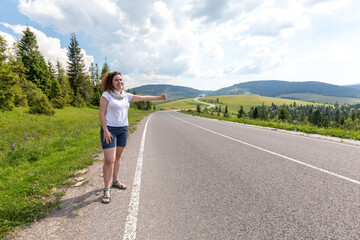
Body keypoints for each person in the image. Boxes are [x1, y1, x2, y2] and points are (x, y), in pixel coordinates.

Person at [99, 71, 167, 204]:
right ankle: (106, 189)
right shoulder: (106, 95)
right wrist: (106, 130)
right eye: (116, 80)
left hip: (123, 129)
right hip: (110, 130)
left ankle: (115, 180)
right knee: (109, 159)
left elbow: (144, 97)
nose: (120, 82)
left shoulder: (126, 96)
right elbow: (102, 114)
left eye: (121, 80)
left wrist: (159, 98)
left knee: (118, 157)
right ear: (111, 83)